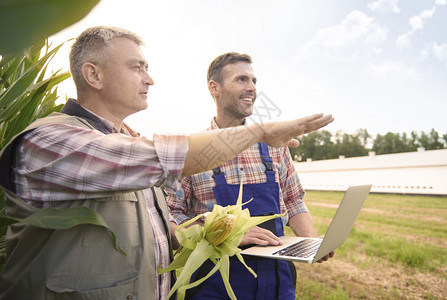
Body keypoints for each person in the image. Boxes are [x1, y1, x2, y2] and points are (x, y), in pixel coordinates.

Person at [0, 27, 333, 300]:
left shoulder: (127, 143)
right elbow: (167, 159)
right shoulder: (51, 141)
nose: (150, 79)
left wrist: (204, 230)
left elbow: (159, 229)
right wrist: (261, 130)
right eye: (137, 67)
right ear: (94, 75)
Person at [166, 52, 334, 300]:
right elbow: (170, 217)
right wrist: (228, 235)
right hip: (214, 284)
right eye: (242, 80)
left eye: (254, 81)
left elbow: (293, 200)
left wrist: (310, 242)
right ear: (215, 88)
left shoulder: (276, 145)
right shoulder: (192, 151)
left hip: (277, 281)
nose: (251, 88)